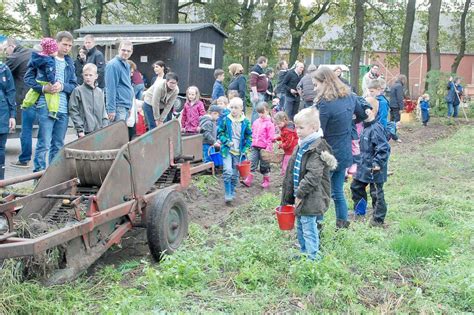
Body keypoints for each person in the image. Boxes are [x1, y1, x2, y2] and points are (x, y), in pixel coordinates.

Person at [312, 66, 368, 228]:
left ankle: (317, 228)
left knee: (321, 193)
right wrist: (349, 122)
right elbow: (362, 115)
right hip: (344, 152)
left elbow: (319, 130)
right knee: (337, 192)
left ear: (325, 82)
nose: (315, 89)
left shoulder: (324, 104)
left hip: (327, 154)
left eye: (316, 85)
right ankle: (342, 226)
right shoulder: (350, 96)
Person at [281, 107, 337, 260]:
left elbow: (313, 176)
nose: (297, 131)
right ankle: (305, 252)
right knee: (301, 226)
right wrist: (288, 198)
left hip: (311, 197)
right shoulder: (303, 144)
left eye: (301, 127)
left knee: (309, 227)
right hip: (302, 196)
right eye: (296, 127)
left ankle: (313, 257)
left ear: (313, 128)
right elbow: (293, 171)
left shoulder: (317, 148)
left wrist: (299, 193)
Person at [24, 31, 77, 172]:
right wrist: (43, 88)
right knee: (44, 143)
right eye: (64, 44)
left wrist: (63, 86)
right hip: (45, 106)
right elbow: (28, 78)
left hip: (63, 108)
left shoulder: (69, 62)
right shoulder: (42, 58)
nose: (66, 48)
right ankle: (38, 176)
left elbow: (73, 84)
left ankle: (53, 177)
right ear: (56, 43)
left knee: (58, 144)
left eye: (70, 45)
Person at [350, 101, 391, 227]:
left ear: (368, 112)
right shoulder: (364, 128)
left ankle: (378, 220)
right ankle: (360, 212)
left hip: (375, 168)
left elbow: (383, 148)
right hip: (363, 167)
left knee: (376, 194)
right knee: (356, 187)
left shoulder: (376, 129)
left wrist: (377, 163)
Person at [4, 38, 34, 169]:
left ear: (12, 46)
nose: (6, 53)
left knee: (25, 129)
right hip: (37, 95)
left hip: (23, 96)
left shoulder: (16, 56)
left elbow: (3, 72)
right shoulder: (32, 53)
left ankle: (24, 159)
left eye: (6, 49)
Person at [217, 97, 252, 203]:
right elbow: (220, 132)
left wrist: (246, 148)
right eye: (231, 107)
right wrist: (226, 141)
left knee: (235, 174)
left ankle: (232, 191)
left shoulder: (245, 122)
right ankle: (227, 193)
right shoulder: (226, 120)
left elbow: (249, 136)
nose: (233, 110)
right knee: (227, 171)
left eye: (236, 108)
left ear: (241, 108)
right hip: (227, 150)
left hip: (239, 152)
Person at [22, 38, 61, 119]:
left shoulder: (38, 57)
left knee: (32, 93)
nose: (57, 52)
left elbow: (30, 65)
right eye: (56, 50)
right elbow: (50, 73)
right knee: (53, 95)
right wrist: (53, 82)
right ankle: (53, 111)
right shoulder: (49, 61)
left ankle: (25, 104)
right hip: (46, 81)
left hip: (38, 79)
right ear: (51, 51)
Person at [69, 63, 108, 137]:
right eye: (86, 75)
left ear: (96, 76)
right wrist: (80, 129)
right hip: (85, 130)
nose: (88, 77)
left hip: (99, 130)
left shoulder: (100, 92)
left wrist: (105, 126)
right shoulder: (78, 91)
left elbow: (103, 111)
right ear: (82, 75)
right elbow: (73, 110)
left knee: (98, 148)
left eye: (90, 75)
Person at [243, 102, 275, 188]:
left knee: (264, 165)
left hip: (264, 148)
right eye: (259, 113)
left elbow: (271, 137)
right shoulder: (256, 122)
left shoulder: (270, 124)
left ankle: (266, 180)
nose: (261, 114)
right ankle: (248, 180)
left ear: (267, 111)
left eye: (262, 112)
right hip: (254, 146)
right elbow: (252, 133)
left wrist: (268, 148)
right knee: (252, 162)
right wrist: (250, 142)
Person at [105, 40, 134, 122]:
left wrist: (130, 105)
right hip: (118, 106)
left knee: (122, 134)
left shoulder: (127, 65)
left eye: (128, 51)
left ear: (131, 52)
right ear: (119, 50)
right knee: (117, 134)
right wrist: (111, 109)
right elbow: (110, 88)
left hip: (126, 105)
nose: (125, 53)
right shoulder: (113, 65)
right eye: (123, 50)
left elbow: (127, 85)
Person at [0, 63, 17, 179]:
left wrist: (12, 115)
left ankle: (1, 180)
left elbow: (10, 91)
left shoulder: (4, 69)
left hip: (3, 113)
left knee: (1, 148)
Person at [274, 111, 298, 175]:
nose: (278, 126)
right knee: (285, 161)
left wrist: (281, 145)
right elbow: (284, 137)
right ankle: (285, 173)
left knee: (286, 163)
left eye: (279, 124)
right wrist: (277, 138)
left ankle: (286, 174)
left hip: (291, 150)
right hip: (288, 150)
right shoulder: (284, 127)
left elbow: (288, 143)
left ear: (284, 120)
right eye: (277, 124)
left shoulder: (289, 130)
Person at [249, 56, 269, 124]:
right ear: (263, 62)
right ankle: (254, 126)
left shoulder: (260, 69)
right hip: (257, 93)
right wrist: (255, 94)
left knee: (259, 110)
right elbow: (253, 83)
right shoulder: (255, 69)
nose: (266, 64)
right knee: (257, 110)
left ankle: (257, 125)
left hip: (260, 93)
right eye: (266, 62)